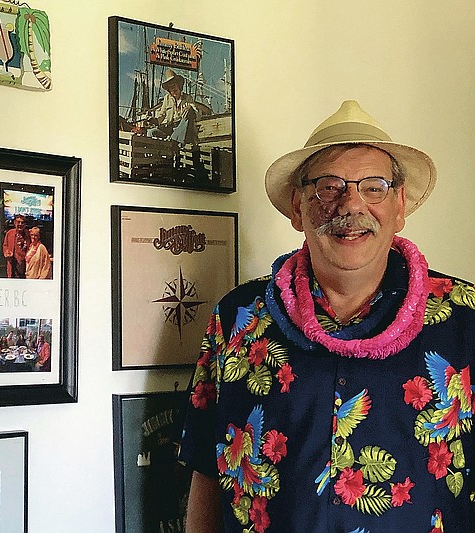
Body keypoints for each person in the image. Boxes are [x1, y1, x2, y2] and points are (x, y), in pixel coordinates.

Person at [180, 100, 475, 531]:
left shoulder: (464, 319)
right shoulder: (239, 317)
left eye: (373, 186)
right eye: (329, 187)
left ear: (400, 206)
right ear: (298, 208)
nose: (350, 205)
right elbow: (206, 468)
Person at [148, 69, 198, 146]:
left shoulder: (188, 98)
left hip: (184, 129)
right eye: (170, 87)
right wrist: (154, 120)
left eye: (174, 85)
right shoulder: (166, 99)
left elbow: (197, 114)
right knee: (151, 132)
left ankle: (174, 142)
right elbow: (161, 116)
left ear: (179, 85)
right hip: (170, 129)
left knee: (188, 115)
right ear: (168, 90)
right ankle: (159, 152)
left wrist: (190, 109)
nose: (173, 89)